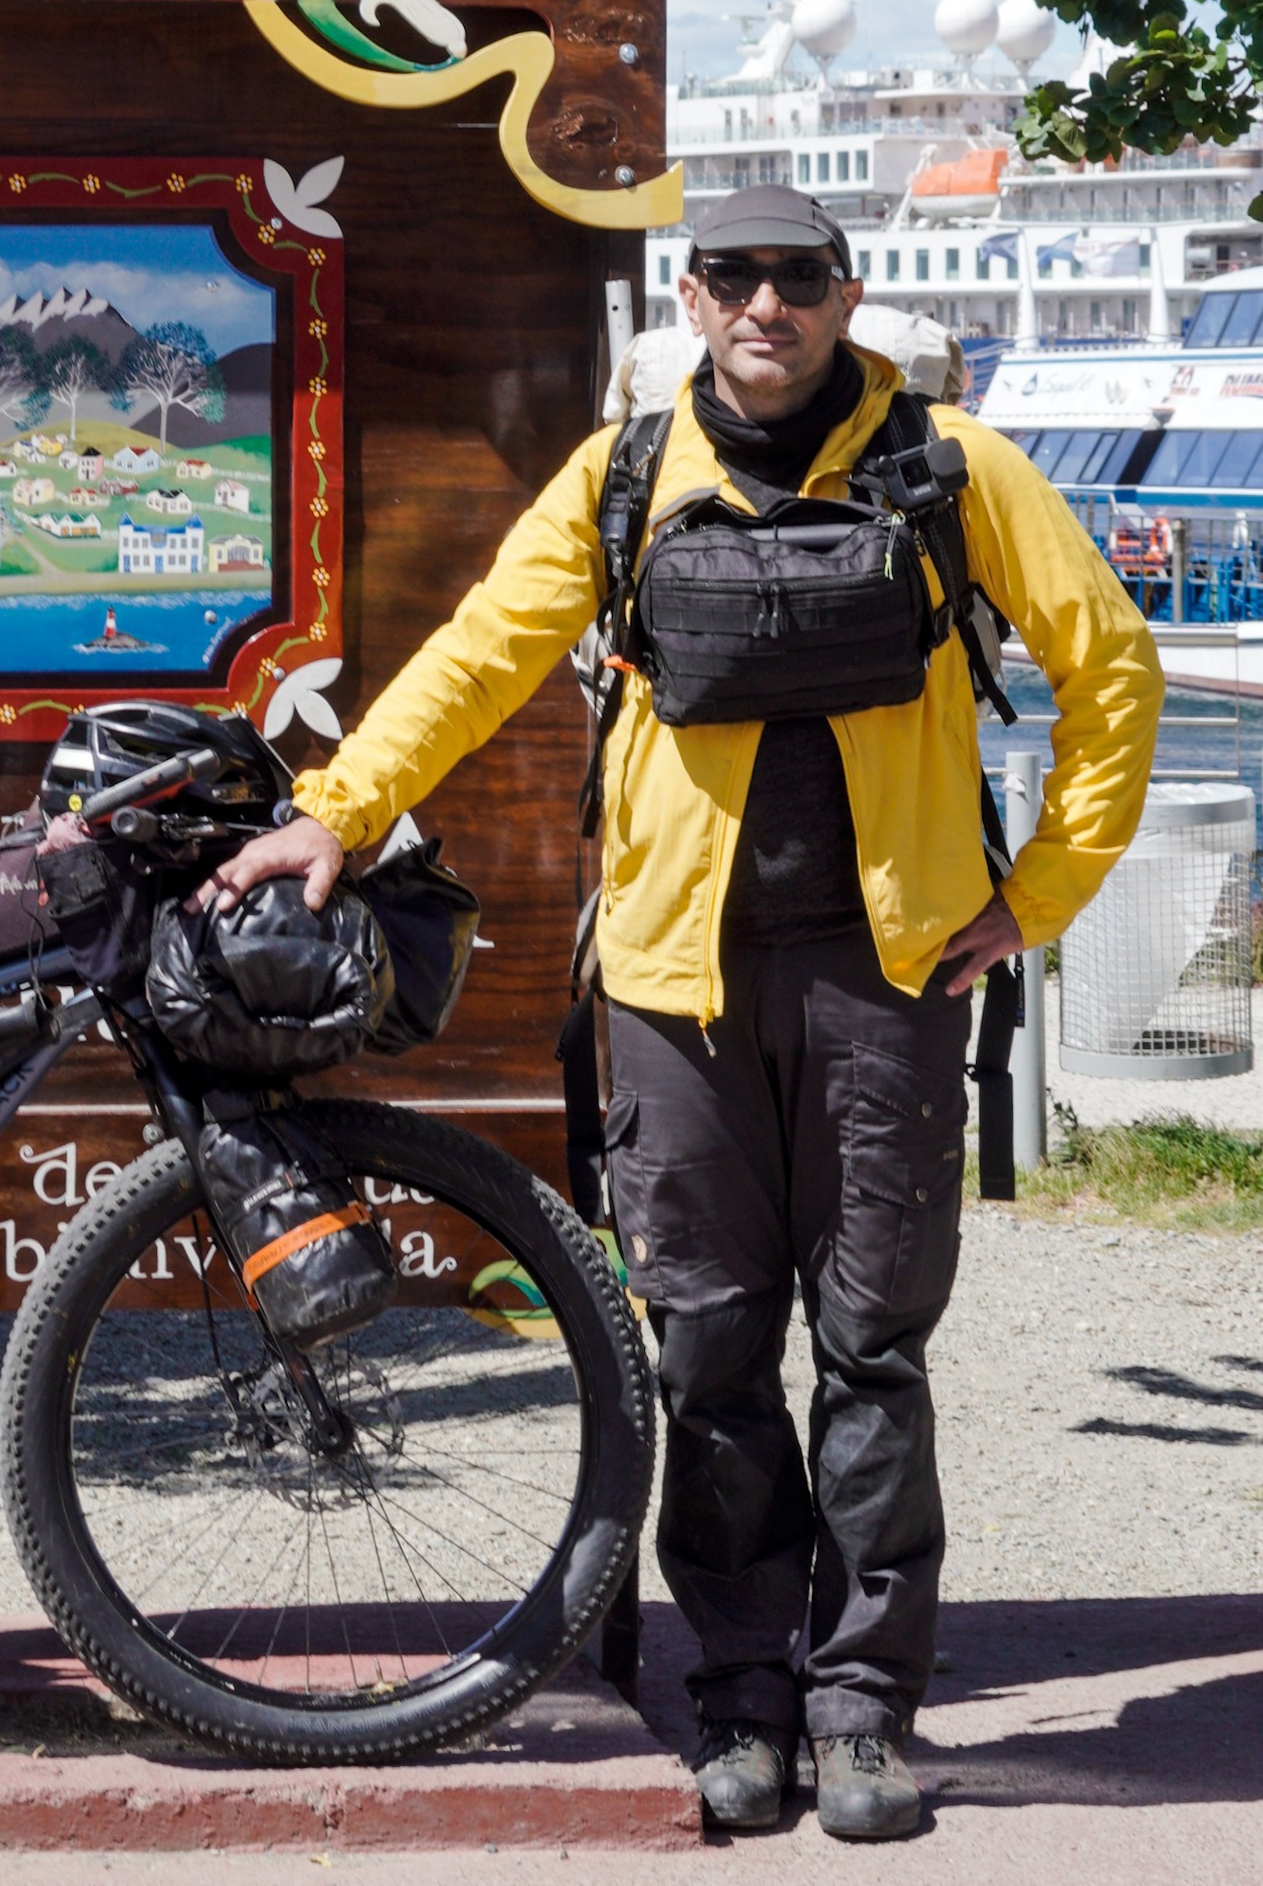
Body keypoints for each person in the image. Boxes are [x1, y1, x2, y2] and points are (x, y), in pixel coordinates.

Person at [200, 186, 1160, 1840]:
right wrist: (341, 811)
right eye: (734, 279)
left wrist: (1038, 901)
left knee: (872, 1353)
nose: (766, 307)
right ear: (695, 300)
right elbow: (480, 656)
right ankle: (743, 1699)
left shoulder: (947, 468)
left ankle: (864, 1711)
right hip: (670, 985)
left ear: (846, 295)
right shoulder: (627, 474)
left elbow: (1112, 667)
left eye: (798, 279)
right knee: (709, 1353)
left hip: (894, 978)